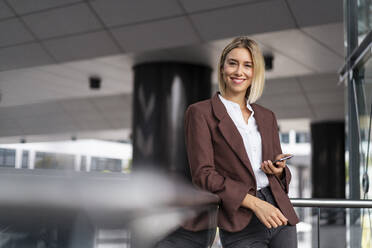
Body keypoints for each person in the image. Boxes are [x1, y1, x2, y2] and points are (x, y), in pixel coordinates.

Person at [183, 36, 299, 248]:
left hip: (279, 213)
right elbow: (203, 175)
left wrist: (279, 170)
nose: (239, 72)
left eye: (248, 65)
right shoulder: (200, 113)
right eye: (233, 63)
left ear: (255, 73)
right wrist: (255, 204)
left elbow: (279, 175)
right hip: (239, 217)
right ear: (222, 68)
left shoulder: (266, 116)